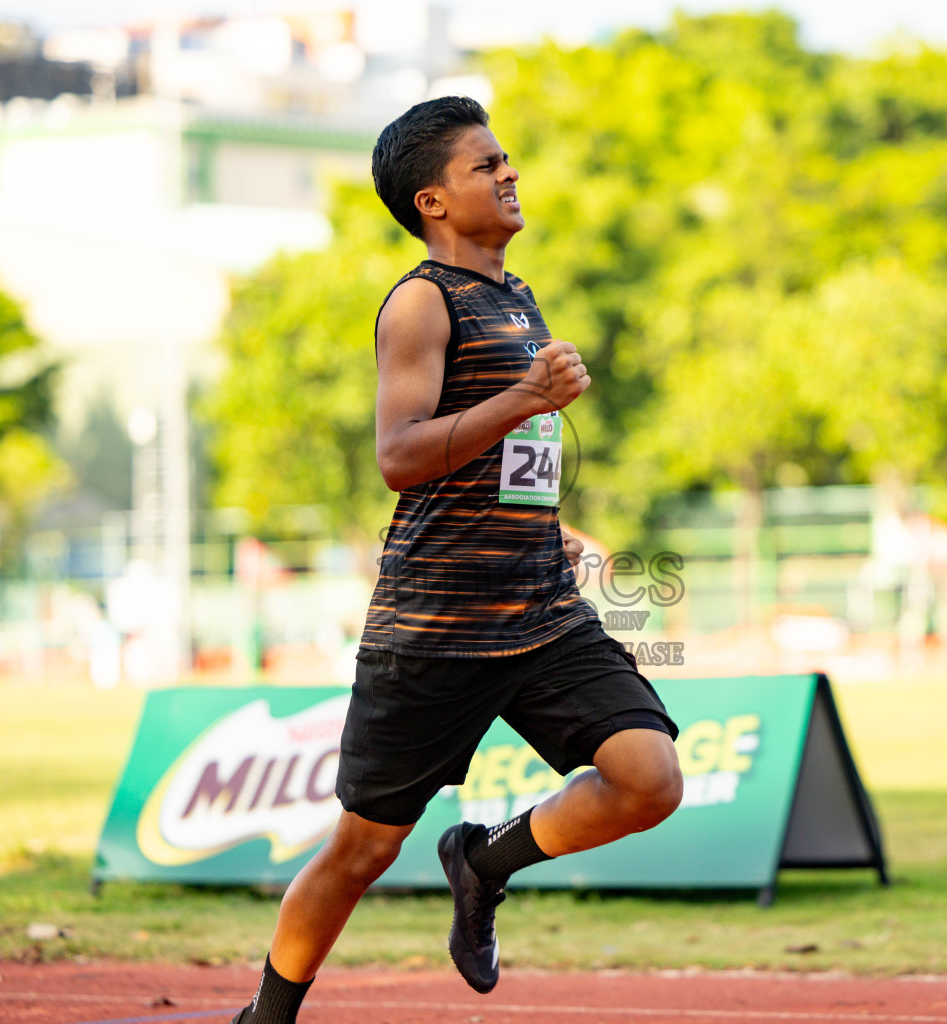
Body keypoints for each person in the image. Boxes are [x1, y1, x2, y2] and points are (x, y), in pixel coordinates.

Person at [228, 96, 684, 1024]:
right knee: (360, 851)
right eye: (488, 166)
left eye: (507, 158)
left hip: (540, 609)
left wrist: (546, 525)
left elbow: (495, 459)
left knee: (650, 776)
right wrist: (523, 396)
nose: (510, 173)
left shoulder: (515, 296)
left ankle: (483, 861)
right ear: (433, 202)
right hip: (435, 627)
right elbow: (401, 455)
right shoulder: (419, 302)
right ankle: (266, 1017)